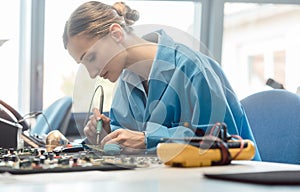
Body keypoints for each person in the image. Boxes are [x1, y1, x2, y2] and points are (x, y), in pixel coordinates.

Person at [63, 1, 261, 160]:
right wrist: (107, 135)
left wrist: (149, 139)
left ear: (116, 34)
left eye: (91, 57)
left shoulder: (193, 69)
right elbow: (128, 137)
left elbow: (223, 143)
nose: (91, 73)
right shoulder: (125, 81)